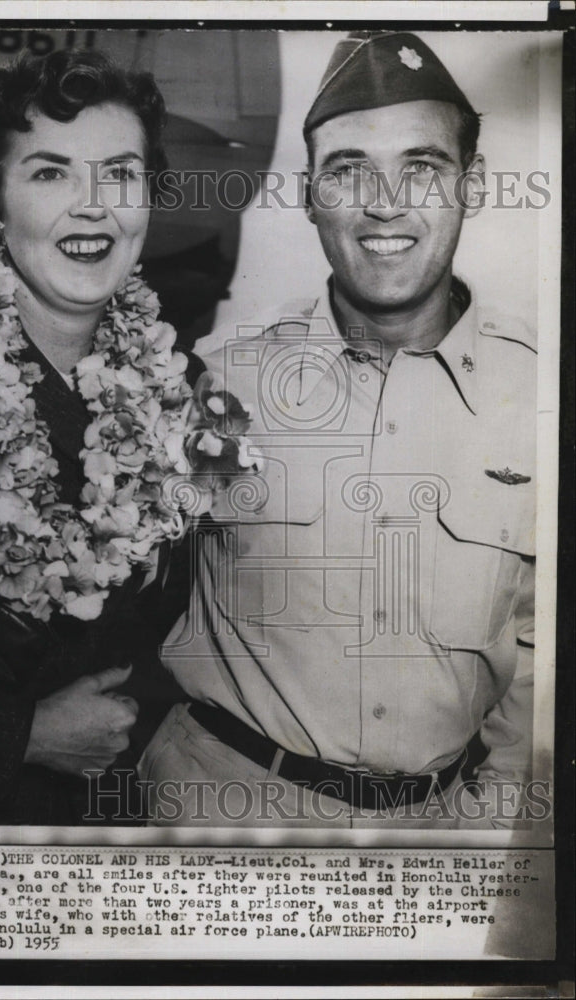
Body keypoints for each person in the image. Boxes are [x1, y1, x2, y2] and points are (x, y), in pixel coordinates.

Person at [139, 31, 537, 828]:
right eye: (348, 169)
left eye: (421, 167)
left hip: (439, 838)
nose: (384, 203)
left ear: (472, 185)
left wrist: (489, 825)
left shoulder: (538, 396)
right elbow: (118, 592)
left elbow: (542, 653)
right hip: (219, 816)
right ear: (308, 194)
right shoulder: (217, 379)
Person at [0, 49, 204, 825]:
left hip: (119, 822)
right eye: (50, 173)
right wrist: (16, 735)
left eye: (119, 173)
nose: (92, 207)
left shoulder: (182, 387)